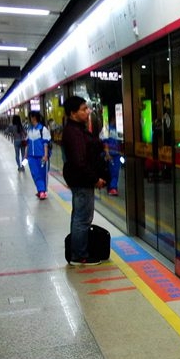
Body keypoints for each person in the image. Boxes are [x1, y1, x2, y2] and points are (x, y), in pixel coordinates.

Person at [62, 96, 108, 266]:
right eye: (83, 109)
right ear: (73, 113)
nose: (87, 111)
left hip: (80, 180)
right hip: (82, 181)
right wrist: (95, 179)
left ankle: (78, 251)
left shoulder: (76, 129)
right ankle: (80, 255)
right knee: (83, 218)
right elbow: (80, 162)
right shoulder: (74, 133)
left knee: (79, 217)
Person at [26, 112, 51, 199]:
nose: (30, 119)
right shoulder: (29, 129)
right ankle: (40, 190)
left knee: (42, 173)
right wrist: (26, 155)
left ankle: (42, 191)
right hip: (31, 156)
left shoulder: (43, 129)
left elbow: (45, 143)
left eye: (31, 117)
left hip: (41, 156)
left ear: (34, 118)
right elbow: (28, 143)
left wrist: (45, 155)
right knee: (34, 173)